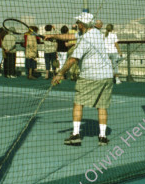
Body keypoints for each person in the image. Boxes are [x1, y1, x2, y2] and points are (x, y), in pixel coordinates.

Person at [48, 12, 114, 146]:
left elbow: (72, 59)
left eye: (78, 22)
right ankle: (102, 137)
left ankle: (76, 135)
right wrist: (53, 36)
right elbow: (71, 36)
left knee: (78, 102)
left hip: (90, 76)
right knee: (102, 106)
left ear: (82, 25)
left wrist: (60, 74)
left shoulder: (85, 40)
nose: (76, 24)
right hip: (107, 75)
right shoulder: (95, 33)